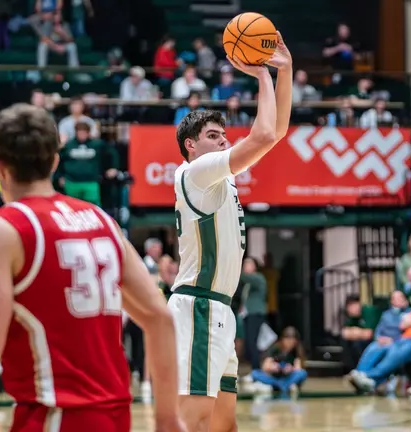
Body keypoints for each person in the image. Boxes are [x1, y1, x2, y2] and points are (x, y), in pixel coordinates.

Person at [0, 104, 184, 432]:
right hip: (115, 418)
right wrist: (168, 421)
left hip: (55, 416)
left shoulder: (1, 230)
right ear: (55, 161)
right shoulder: (101, 220)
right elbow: (160, 319)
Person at [169, 31, 291, 432]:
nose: (223, 141)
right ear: (191, 145)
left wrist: (284, 71)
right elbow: (265, 135)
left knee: (224, 425)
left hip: (219, 308)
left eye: (224, 136)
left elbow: (278, 131)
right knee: (192, 422)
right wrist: (261, 76)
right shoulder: (196, 173)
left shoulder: (220, 180)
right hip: (198, 307)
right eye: (212, 136)